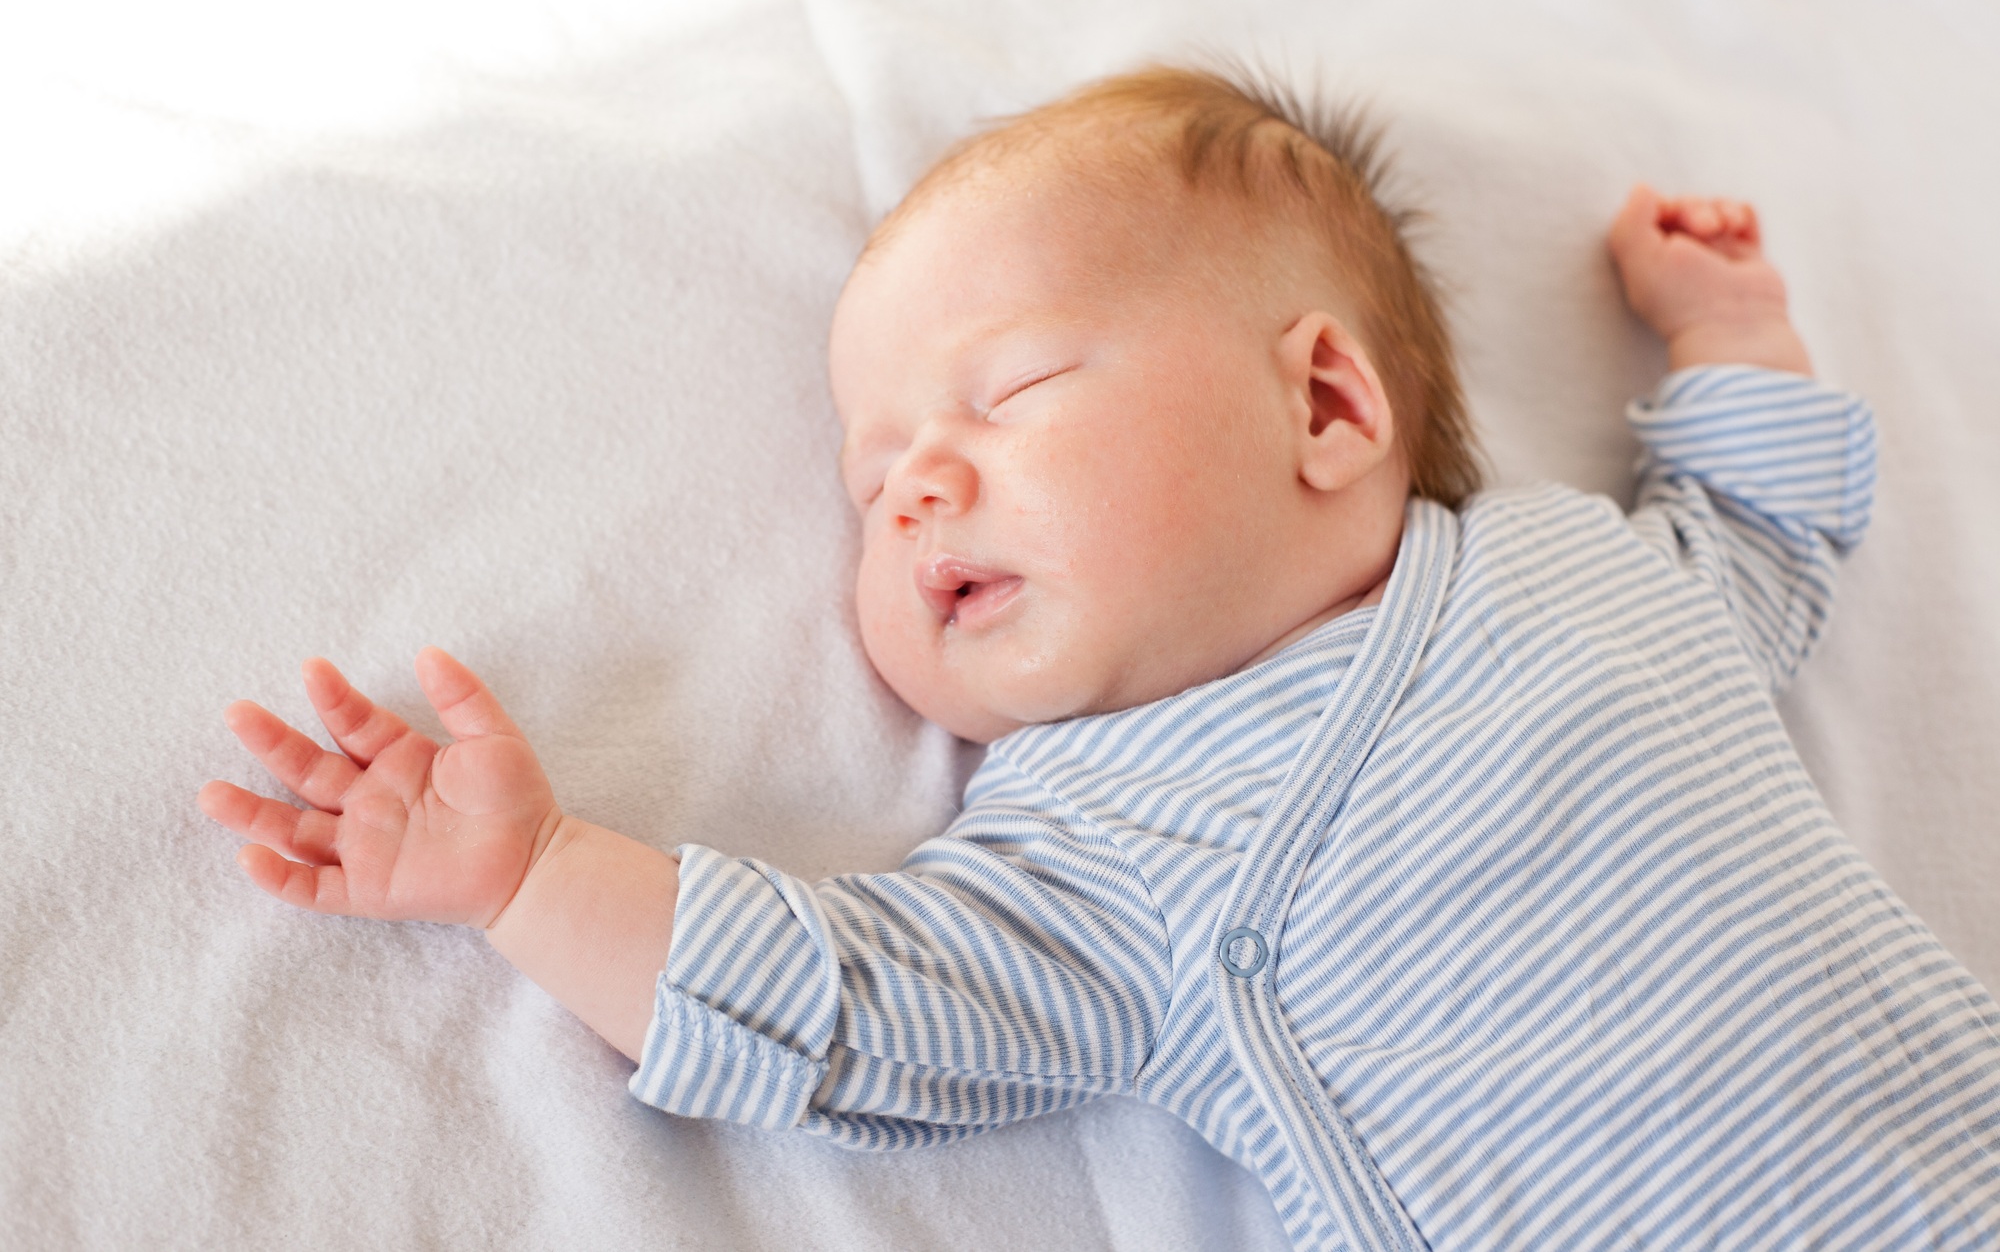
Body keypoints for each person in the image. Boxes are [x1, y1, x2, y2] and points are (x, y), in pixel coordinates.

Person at [198, 68, 2000, 1250]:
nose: (918, 488)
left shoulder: (1574, 570)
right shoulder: (1096, 848)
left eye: (1011, 391)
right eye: (874, 482)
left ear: (1324, 403)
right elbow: (845, 1010)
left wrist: (1734, 326)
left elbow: (1757, 536)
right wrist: (533, 875)